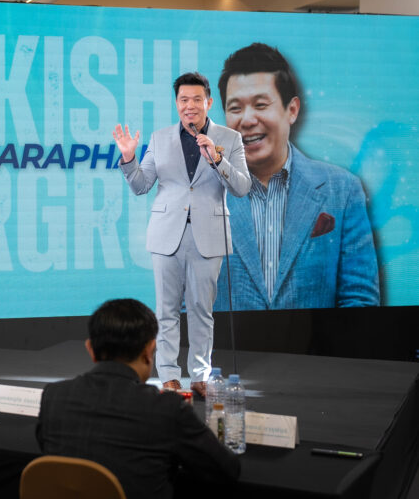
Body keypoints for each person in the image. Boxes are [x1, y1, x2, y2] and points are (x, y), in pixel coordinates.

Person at [113, 72, 251, 396]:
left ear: (209, 102)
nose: (190, 106)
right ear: (177, 103)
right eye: (183, 100)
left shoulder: (229, 138)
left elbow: (242, 187)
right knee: (166, 310)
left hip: (208, 235)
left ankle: (200, 375)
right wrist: (129, 158)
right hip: (167, 235)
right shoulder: (160, 138)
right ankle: (169, 375)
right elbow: (141, 185)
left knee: (202, 309)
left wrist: (217, 158)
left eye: (196, 99)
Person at [215, 43, 380, 310]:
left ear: (292, 110)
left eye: (260, 105)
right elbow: (188, 302)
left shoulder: (342, 190)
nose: (247, 120)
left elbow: (360, 300)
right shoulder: (204, 190)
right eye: (235, 108)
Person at [37, 298, 240, 499]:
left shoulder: (54, 397)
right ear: (149, 351)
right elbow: (227, 469)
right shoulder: (167, 409)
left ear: (90, 349)